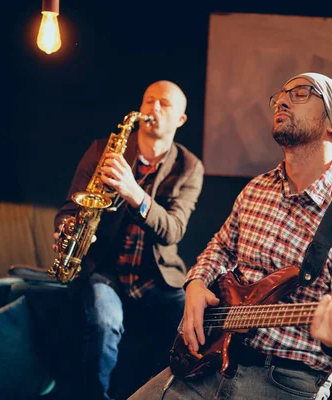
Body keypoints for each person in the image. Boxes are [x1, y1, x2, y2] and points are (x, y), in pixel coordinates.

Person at [129, 72, 332, 400]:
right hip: (210, 361)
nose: (281, 100)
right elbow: (222, 248)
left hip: (283, 381)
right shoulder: (257, 188)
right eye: (280, 95)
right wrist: (196, 283)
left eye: (300, 93)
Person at [53, 80, 204, 400]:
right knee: (104, 324)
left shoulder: (190, 167)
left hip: (157, 277)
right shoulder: (102, 151)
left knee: (194, 331)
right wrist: (67, 229)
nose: (154, 109)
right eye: (149, 101)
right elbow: (70, 207)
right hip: (105, 272)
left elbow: (174, 229)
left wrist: (134, 193)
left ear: (180, 120)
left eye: (164, 103)